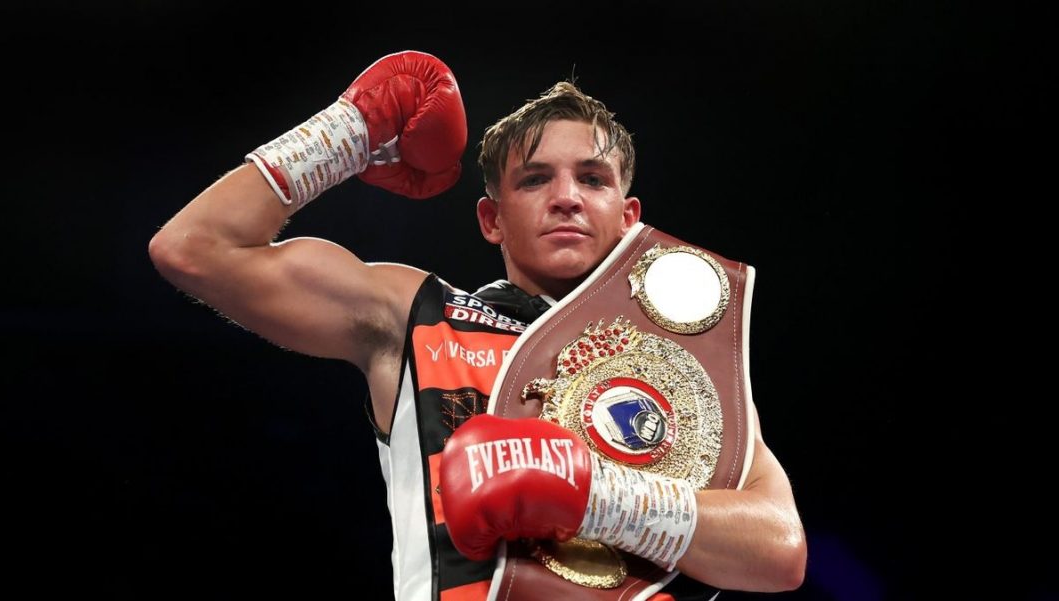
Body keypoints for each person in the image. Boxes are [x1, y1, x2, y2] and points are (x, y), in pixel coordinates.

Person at [148, 50, 806, 600]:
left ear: (628, 215)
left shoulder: (685, 372)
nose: (568, 196)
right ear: (492, 219)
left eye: (593, 177)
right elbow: (195, 249)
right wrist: (352, 130)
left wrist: (592, 495)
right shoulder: (418, 316)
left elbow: (780, 549)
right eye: (536, 179)